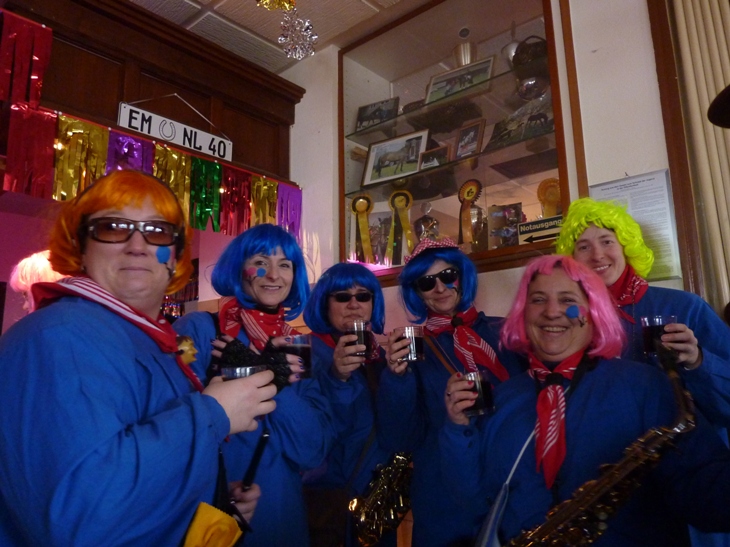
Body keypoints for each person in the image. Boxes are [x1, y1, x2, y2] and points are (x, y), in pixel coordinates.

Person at [0, 170, 278, 546]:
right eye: (113, 227)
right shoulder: (60, 336)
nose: (137, 245)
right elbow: (83, 518)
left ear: (174, 256)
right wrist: (212, 414)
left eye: (157, 232)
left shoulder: (147, 339)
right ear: (80, 245)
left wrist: (205, 498)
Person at [441, 255, 730, 546]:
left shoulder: (646, 386)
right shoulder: (503, 398)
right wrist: (457, 429)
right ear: (523, 313)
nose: (552, 312)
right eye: (538, 300)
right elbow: (473, 503)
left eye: (568, 300)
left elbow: (704, 495)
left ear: (593, 313)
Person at [174, 223, 335, 547]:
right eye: (261, 262)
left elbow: (311, 451)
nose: (273, 274)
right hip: (214, 511)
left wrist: (271, 378)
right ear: (239, 268)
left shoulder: (297, 346)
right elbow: (173, 425)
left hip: (282, 516)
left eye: (285, 265)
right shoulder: (198, 330)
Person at [376, 237, 525, 547]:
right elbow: (401, 438)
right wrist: (397, 377)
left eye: (447, 275)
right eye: (426, 282)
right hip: (443, 498)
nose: (440, 288)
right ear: (417, 292)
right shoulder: (413, 348)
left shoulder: (505, 332)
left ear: (462, 276)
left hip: (509, 483)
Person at [555, 199, 730, 428]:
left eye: (607, 242)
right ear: (572, 259)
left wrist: (697, 360)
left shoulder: (686, 307)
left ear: (626, 247)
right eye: (584, 247)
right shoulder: (568, 318)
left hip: (688, 445)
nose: (597, 255)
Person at [302, 262, 396, 547]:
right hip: (333, 496)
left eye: (363, 296)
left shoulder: (378, 355)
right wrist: (338, 378)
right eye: (342, 296)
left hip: (378, 496)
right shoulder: (305, 351)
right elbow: (310, 435)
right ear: (324, 303)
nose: (354, 304)